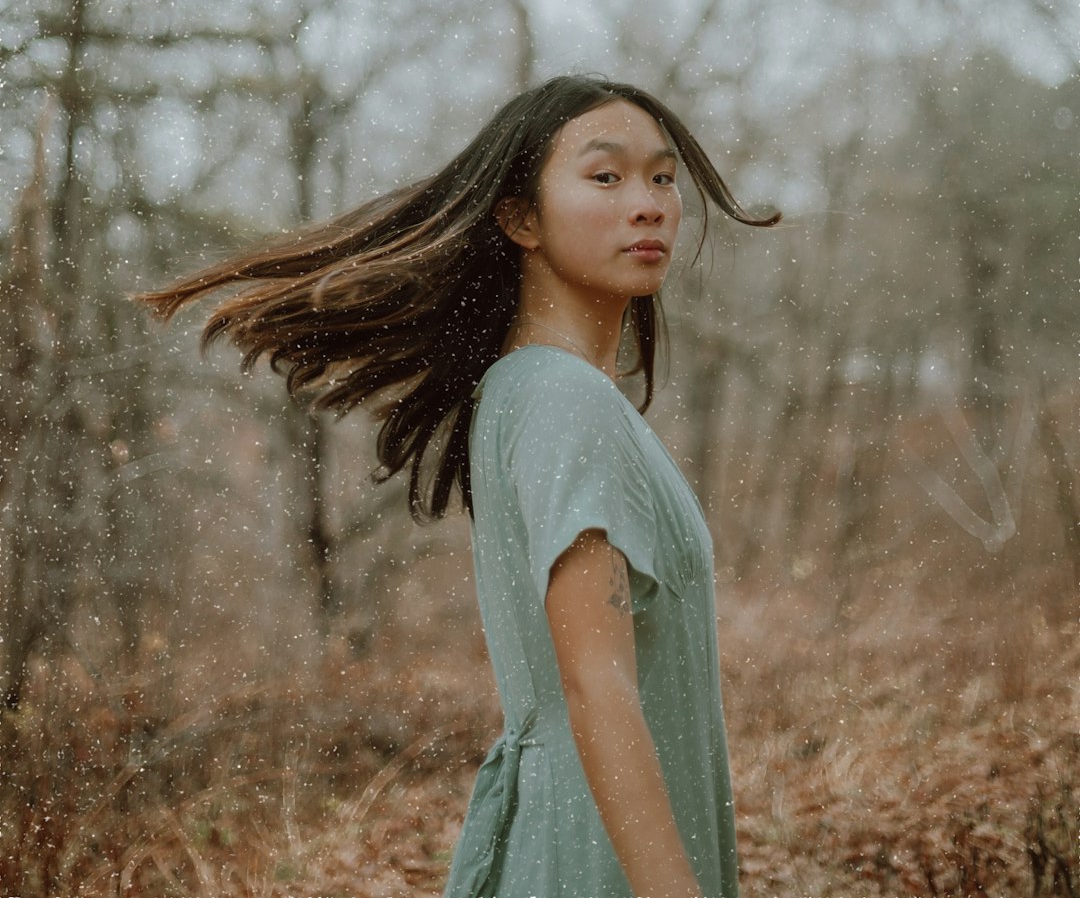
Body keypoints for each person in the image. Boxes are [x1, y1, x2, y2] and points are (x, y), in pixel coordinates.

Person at [138, 74, 780, 898]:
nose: (650, 202)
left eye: (662, 176)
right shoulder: (560, 397)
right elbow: (597, 681)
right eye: (606, 175)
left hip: (579, 832)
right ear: (519, 217)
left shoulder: (527, 388)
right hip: (593, 858)